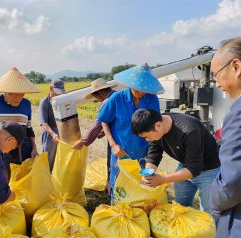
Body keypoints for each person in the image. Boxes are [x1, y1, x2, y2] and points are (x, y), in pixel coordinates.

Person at [131, 109, 220, 218]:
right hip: (185, 165)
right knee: (180, 206)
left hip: (209, 170)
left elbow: (194, 169)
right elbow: (154, 153)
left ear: (158, 125)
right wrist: (148, 173)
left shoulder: (189, 130)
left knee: (210, 213)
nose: (147, 140)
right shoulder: (156, 124)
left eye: (147, 136)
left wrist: (163, 179)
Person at [97, 63, 164, 198]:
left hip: (143, 153)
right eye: (137, 88)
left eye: (144, 89)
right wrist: (112, 144)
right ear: (130, 84)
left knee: (141, 187)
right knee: (119, 188)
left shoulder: (152, 99)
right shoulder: (117, 99)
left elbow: (156, 124)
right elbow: (104, 120)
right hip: (121, 153)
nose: (141, 92)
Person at [210, 36, 241, 237]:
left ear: (236, 66)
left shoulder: (238, 114)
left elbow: (231, 181)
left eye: (216, 74)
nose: (217, 83)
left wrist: (216, 201)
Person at [72, 78, 117, 191]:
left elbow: (98, 124)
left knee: (114, 164)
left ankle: (113, 189)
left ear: (101, 92)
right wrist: (102, 132)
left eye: (96, 97)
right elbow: (113, 119)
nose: (97, 100)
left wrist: (82, 141)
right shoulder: (120, 96)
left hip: (116, 139)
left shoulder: (106, 102)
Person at [39, 79, 66, 171]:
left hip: (62, 131)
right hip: (50, 134)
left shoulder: (62, 100)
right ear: (51, 88)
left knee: (61, 158)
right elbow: (44, 123)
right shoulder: (44, 103)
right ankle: (46, 179)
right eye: (57, 92)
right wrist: (53, 134)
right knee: (48, 158)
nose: (58, 94)